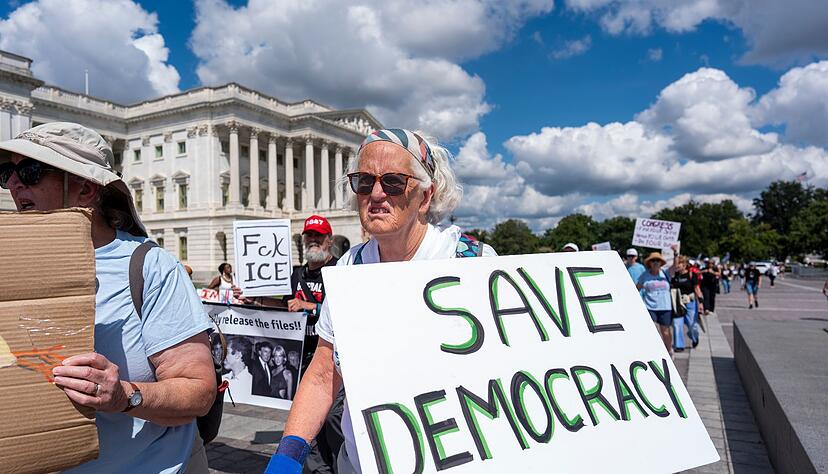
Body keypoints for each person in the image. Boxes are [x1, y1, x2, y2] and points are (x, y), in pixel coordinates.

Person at [264, 128, 496, 474]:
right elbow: (325, 370)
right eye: (363, 181)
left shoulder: (470, 260)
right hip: (360, 464)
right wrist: (289, 452)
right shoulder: (349, 267)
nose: (376, 194)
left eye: (392, 182)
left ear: (426, 196)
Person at [0, 122, 215, 473]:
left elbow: (198, 392)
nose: (13, 183)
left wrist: (123, 395)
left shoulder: (150, 267)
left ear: (85, 190)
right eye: (7, 172)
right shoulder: (8, 262)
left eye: (31, 171)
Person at [284, 215, 339, 369]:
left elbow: (344, 314)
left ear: (330, 240)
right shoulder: (297, 274)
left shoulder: (339, 270)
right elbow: (283, 306)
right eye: (309, 235)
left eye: (319, 235)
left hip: (328, 357)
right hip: (297, 358)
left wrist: (310, 306)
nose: (313, 239)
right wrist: (253, 299)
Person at [636, 252, 673, 357]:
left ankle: (669, 350)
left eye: (658, 261)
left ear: (661, 263)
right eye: (653, 261)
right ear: (649, 263)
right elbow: (636, 288)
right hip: (649, 306)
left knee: (665, 331)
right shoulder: (644, 275)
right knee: (652, 330)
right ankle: (653, 351)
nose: (655, 263)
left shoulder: (665, 273)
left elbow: (675, 266)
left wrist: (675, 253)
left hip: (665, 306)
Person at [671, 255, 704, 351]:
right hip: (678, 302)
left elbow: (697, 289)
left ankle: (694, 337)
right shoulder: (674, 276)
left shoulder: (691, 275)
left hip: (690, 302)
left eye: (679, 264)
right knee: (677, 324)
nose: (677, 266)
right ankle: (679, 345)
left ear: (685, 265)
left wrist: (701, 303)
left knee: (692, 324)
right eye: (676, 264)